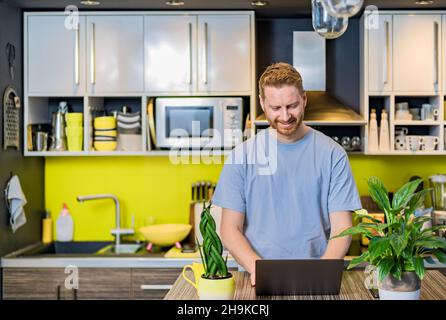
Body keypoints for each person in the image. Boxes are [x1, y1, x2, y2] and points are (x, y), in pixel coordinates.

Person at [212, 62, 362, 286]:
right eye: (275, 108)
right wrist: (259, 271)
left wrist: (321, 274)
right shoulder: (241, 156)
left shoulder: (333, 154)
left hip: (316, 276)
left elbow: (343, 227)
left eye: (292, 105)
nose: (285, 116)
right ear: (262, 103)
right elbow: (229, 228)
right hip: (257, 278)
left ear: (304, 100)